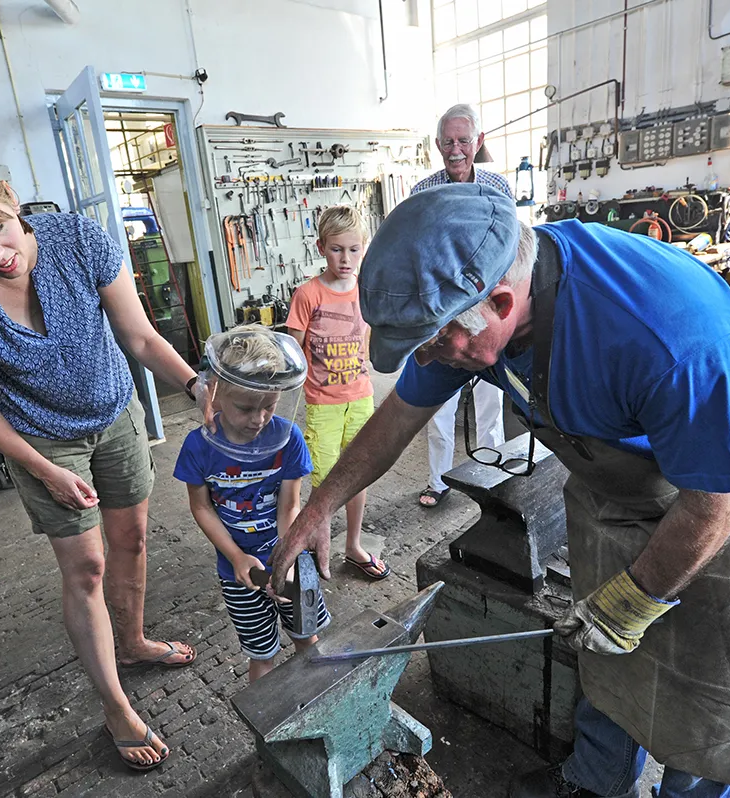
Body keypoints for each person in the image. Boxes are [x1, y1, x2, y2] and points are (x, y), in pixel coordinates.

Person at [268, 184, 730, 798]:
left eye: (437, 344)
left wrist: (632, 602)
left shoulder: (665, 332)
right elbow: (396, 421)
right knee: (604, 654)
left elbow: (716, 503)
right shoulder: (461, 315)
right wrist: (319, 507)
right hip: (624, 480)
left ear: (500, 300)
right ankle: (597, 782)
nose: (435, 357)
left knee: (708, 684)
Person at [0, 145, 199, 773]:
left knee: (133, 539)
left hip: (115, 413)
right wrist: (43, 468)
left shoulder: (76, 238)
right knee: (87, 566)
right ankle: (115, 704)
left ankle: (136, 640)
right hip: (40, 439)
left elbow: (140, 335)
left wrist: (197, 386)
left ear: (10, 199)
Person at [173, 325, 330, 682]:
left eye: (269, 407)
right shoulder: (198, 447)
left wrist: (287, 560)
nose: (259, 419)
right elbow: (201, 508)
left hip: (289, 561)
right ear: (214, 393)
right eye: (245, 408)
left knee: (308, 639)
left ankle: (319, 694)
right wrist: (236, 557)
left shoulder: (288, 440)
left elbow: (289, 507)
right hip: (237, 573)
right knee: (263, 655)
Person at [285, 205, 388, 581]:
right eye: (336, 249)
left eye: (354, 249)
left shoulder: (367, 291)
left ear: (364, 249)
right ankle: (317, 545)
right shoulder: (307, 295)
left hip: (360, 397)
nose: (345, 258)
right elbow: (293, 355)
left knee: (356, 474)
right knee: (326, 482)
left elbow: (375, 339)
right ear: (320, 247)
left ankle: (353, 545)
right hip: (323, 405)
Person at [412, 103, 507, 508]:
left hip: (488, 311)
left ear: (478, 142)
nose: (455, 150)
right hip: (444, 311)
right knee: (439, 404)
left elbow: (511, 249)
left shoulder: (498, 187)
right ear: (437, 144)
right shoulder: (422, 193)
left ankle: (496, 474)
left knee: (492, 400)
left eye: (463, 141)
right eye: (448, 141)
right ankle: (438, 480)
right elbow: (417, 256)